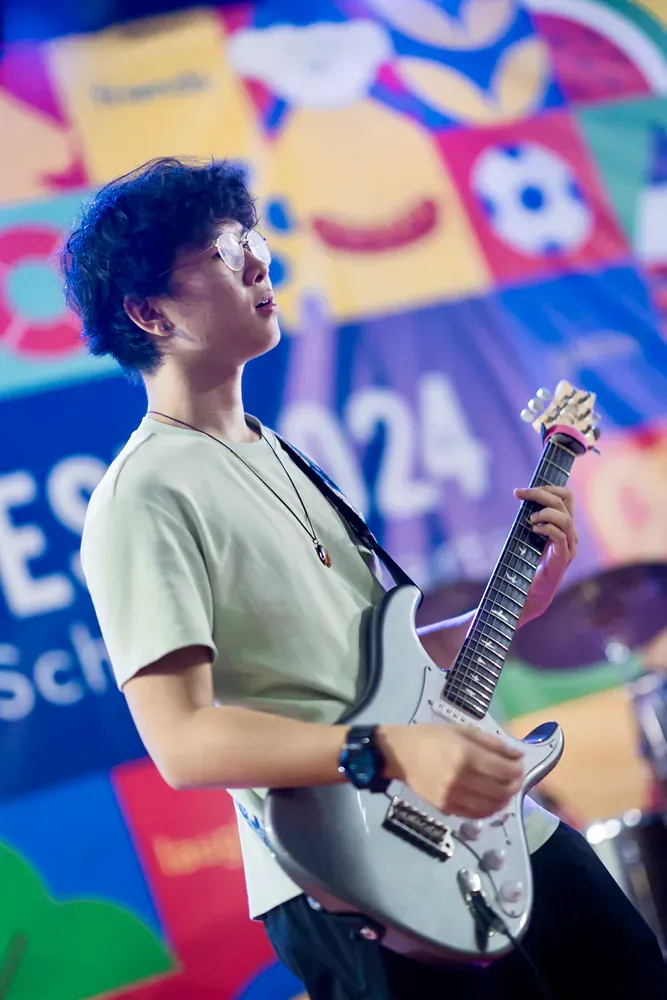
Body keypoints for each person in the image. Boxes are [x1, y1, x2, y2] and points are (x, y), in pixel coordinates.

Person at [62, 158, 667, 1000]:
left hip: (497, 829)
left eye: (253, 240)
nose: (257, 262)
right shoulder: (142, 493)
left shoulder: (284, 454)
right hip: (349, 872)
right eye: (221, 252)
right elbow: (184, 742)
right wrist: (384, 750)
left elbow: (365, 666)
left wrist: (517, 606)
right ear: (147, 310)